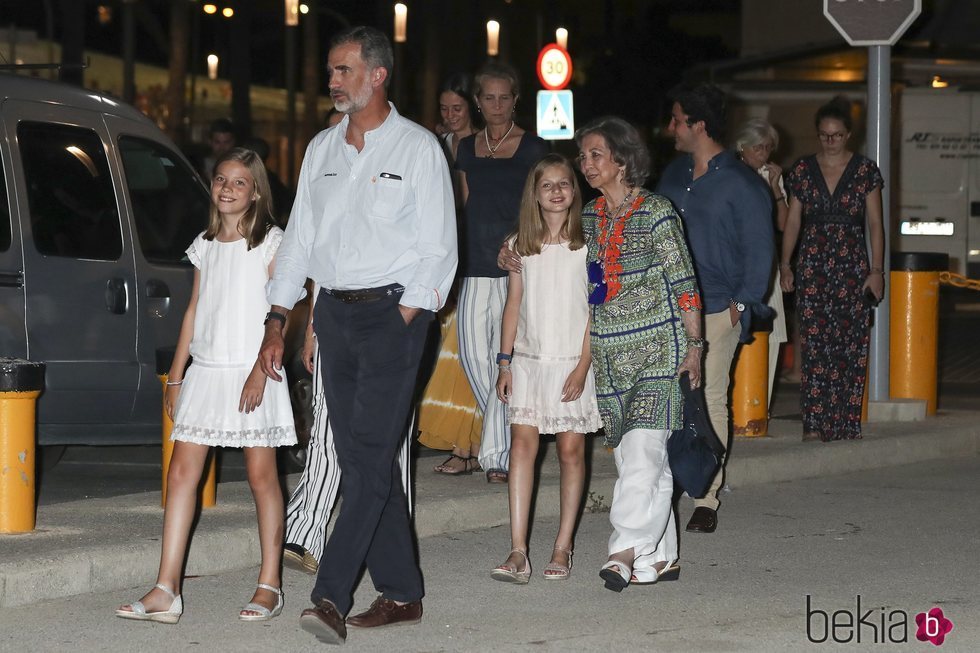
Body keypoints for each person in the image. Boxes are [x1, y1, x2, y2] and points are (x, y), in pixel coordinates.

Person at [259, 26, 456, 645]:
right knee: (365, 458)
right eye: (331, 70)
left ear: (378, 75)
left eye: (343, 70)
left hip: (393, 317)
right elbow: (298, 244)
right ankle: (402, 592)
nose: (332, 80)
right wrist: (279, 320)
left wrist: (408, 316)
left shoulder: (418, 148)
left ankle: (330, 595)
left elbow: (439, 248)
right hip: (334, 318)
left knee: (367, 456)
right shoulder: (320, 150)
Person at [116, 148, 297, 624]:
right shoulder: (206, 243)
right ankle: (165, 589)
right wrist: (176, 376)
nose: (227, 189)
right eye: (221, 180)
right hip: (208, 369)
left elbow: (287, 307)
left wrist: (262, 366)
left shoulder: (272, 242)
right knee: (180, 475)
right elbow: (194, 310)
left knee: (262, 477)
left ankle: (270, 584)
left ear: (255, 191)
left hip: (254, 368)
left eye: (239, 182)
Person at [576, 117, 703, 591]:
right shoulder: (590, 216)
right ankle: (662, 558)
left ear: (623, 160)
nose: (586, 164)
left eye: (595, 154)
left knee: (645, 450)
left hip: (657, 350)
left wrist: (694, 347)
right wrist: (511, 252)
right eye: (583, 155)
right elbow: (554, 247)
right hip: (610, 353)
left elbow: (684, 283)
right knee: (636, 461)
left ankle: (624, 547)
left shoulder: (657, 212)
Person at [657, 83, 774, 535]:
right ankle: (666, 484)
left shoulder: (742, 183)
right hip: (668, 307)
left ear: (698, 125)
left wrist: (738, 308)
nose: (670, 127)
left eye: (676, 119)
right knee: (666, 400)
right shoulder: (671, 175)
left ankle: (706, 496)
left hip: (716, 308)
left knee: (708, 397)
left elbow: (759, 252)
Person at [490, 154, 601, 584]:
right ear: (534, 195)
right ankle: (518, 551)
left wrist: (583, 366)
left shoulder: (587, 243)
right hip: (530, 363)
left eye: (564, 184)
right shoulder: (520, 245)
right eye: (547, 185)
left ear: (575, 192)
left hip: (573, 362)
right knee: (522, 448)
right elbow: (512, 305)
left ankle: (562, 544)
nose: (556, 191)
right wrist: (505, 362)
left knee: (572, 452)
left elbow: (597, 308)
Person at [455, 62, 549, 484]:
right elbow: (464, 204)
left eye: (504, 97)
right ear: (477, 101)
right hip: (473, 261)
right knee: (476, 357)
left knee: (506, 357)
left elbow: (541, 205)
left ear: (515, 100)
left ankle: (497, 456)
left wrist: (517, 243)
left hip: (516, 261)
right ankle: (505, 437)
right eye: (488, 97)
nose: (496, 104)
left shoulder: (534, 147)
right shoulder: (465, 148)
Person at [281, 284, 413, 574]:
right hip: (336, 312)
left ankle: (390, 541)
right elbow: (321, 258)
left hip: (392, 309)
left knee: (387, 439)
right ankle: (304, 532)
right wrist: (310, 331)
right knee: (325, 430)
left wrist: (403, 318)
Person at [780, 96, 884, 442]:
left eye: (837, 135)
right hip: (813, 263)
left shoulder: (865, 171)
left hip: (852, 266)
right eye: (824, 135)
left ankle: (843, 422)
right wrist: (786, 264)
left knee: (850, 345)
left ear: (848, 135)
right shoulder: (803, 170)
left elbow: (875, 224)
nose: (830, 141)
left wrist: (877, 270)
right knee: (814, 344)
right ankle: (814, 422)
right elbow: (793, 221)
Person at [418, 73, 484, 476]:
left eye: (456, 108)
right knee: (448, 347)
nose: (449, 115)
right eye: (443, 109)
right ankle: (466, 443)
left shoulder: (483, 146)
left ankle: (472, 444)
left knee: (470, 347)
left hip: (474, 249)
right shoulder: (436, 145)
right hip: (443, 250)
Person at [734, 118, 789, 411]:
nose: (764, 154)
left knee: (773, 334)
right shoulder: (731, 174)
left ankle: (759, 407)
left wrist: (774, 188)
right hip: (736, 265)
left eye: (768, 148)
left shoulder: (771, 176)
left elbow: (783, 223)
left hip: (766, 264)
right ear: (742, 148)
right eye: (758, 148)